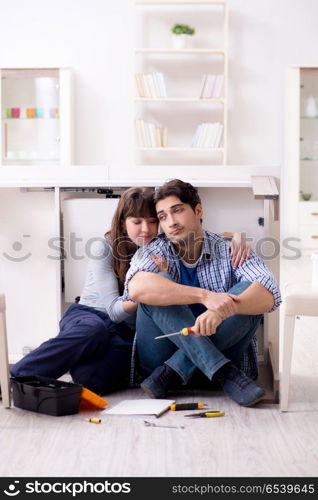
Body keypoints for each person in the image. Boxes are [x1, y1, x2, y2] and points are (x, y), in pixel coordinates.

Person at [11, 186, 250, 395]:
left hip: (126, 330)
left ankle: (83, 360)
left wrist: (235, 236)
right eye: (137, 222)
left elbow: (199, 235)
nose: (145, 229)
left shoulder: (162, 247)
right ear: (123, 222)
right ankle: (16, 377)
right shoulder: (104, 247)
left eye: (152, 221)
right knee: (93, 331)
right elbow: (114, 311)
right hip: (91, 315)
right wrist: (152, 287)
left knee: (90, 379)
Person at [123, 179, 282, 407]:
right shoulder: (154, 250)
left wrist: (223, 310)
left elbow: (269, 292)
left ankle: (179, 369)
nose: (171, 222)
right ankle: (225, 372)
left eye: (177, 211)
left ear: (198, 210)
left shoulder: (230, 249)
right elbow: (136, 288)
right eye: (163, 217)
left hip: (166, 377)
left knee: (248, 293)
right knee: (154, 287)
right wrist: (205, 297)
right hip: (160, 358)